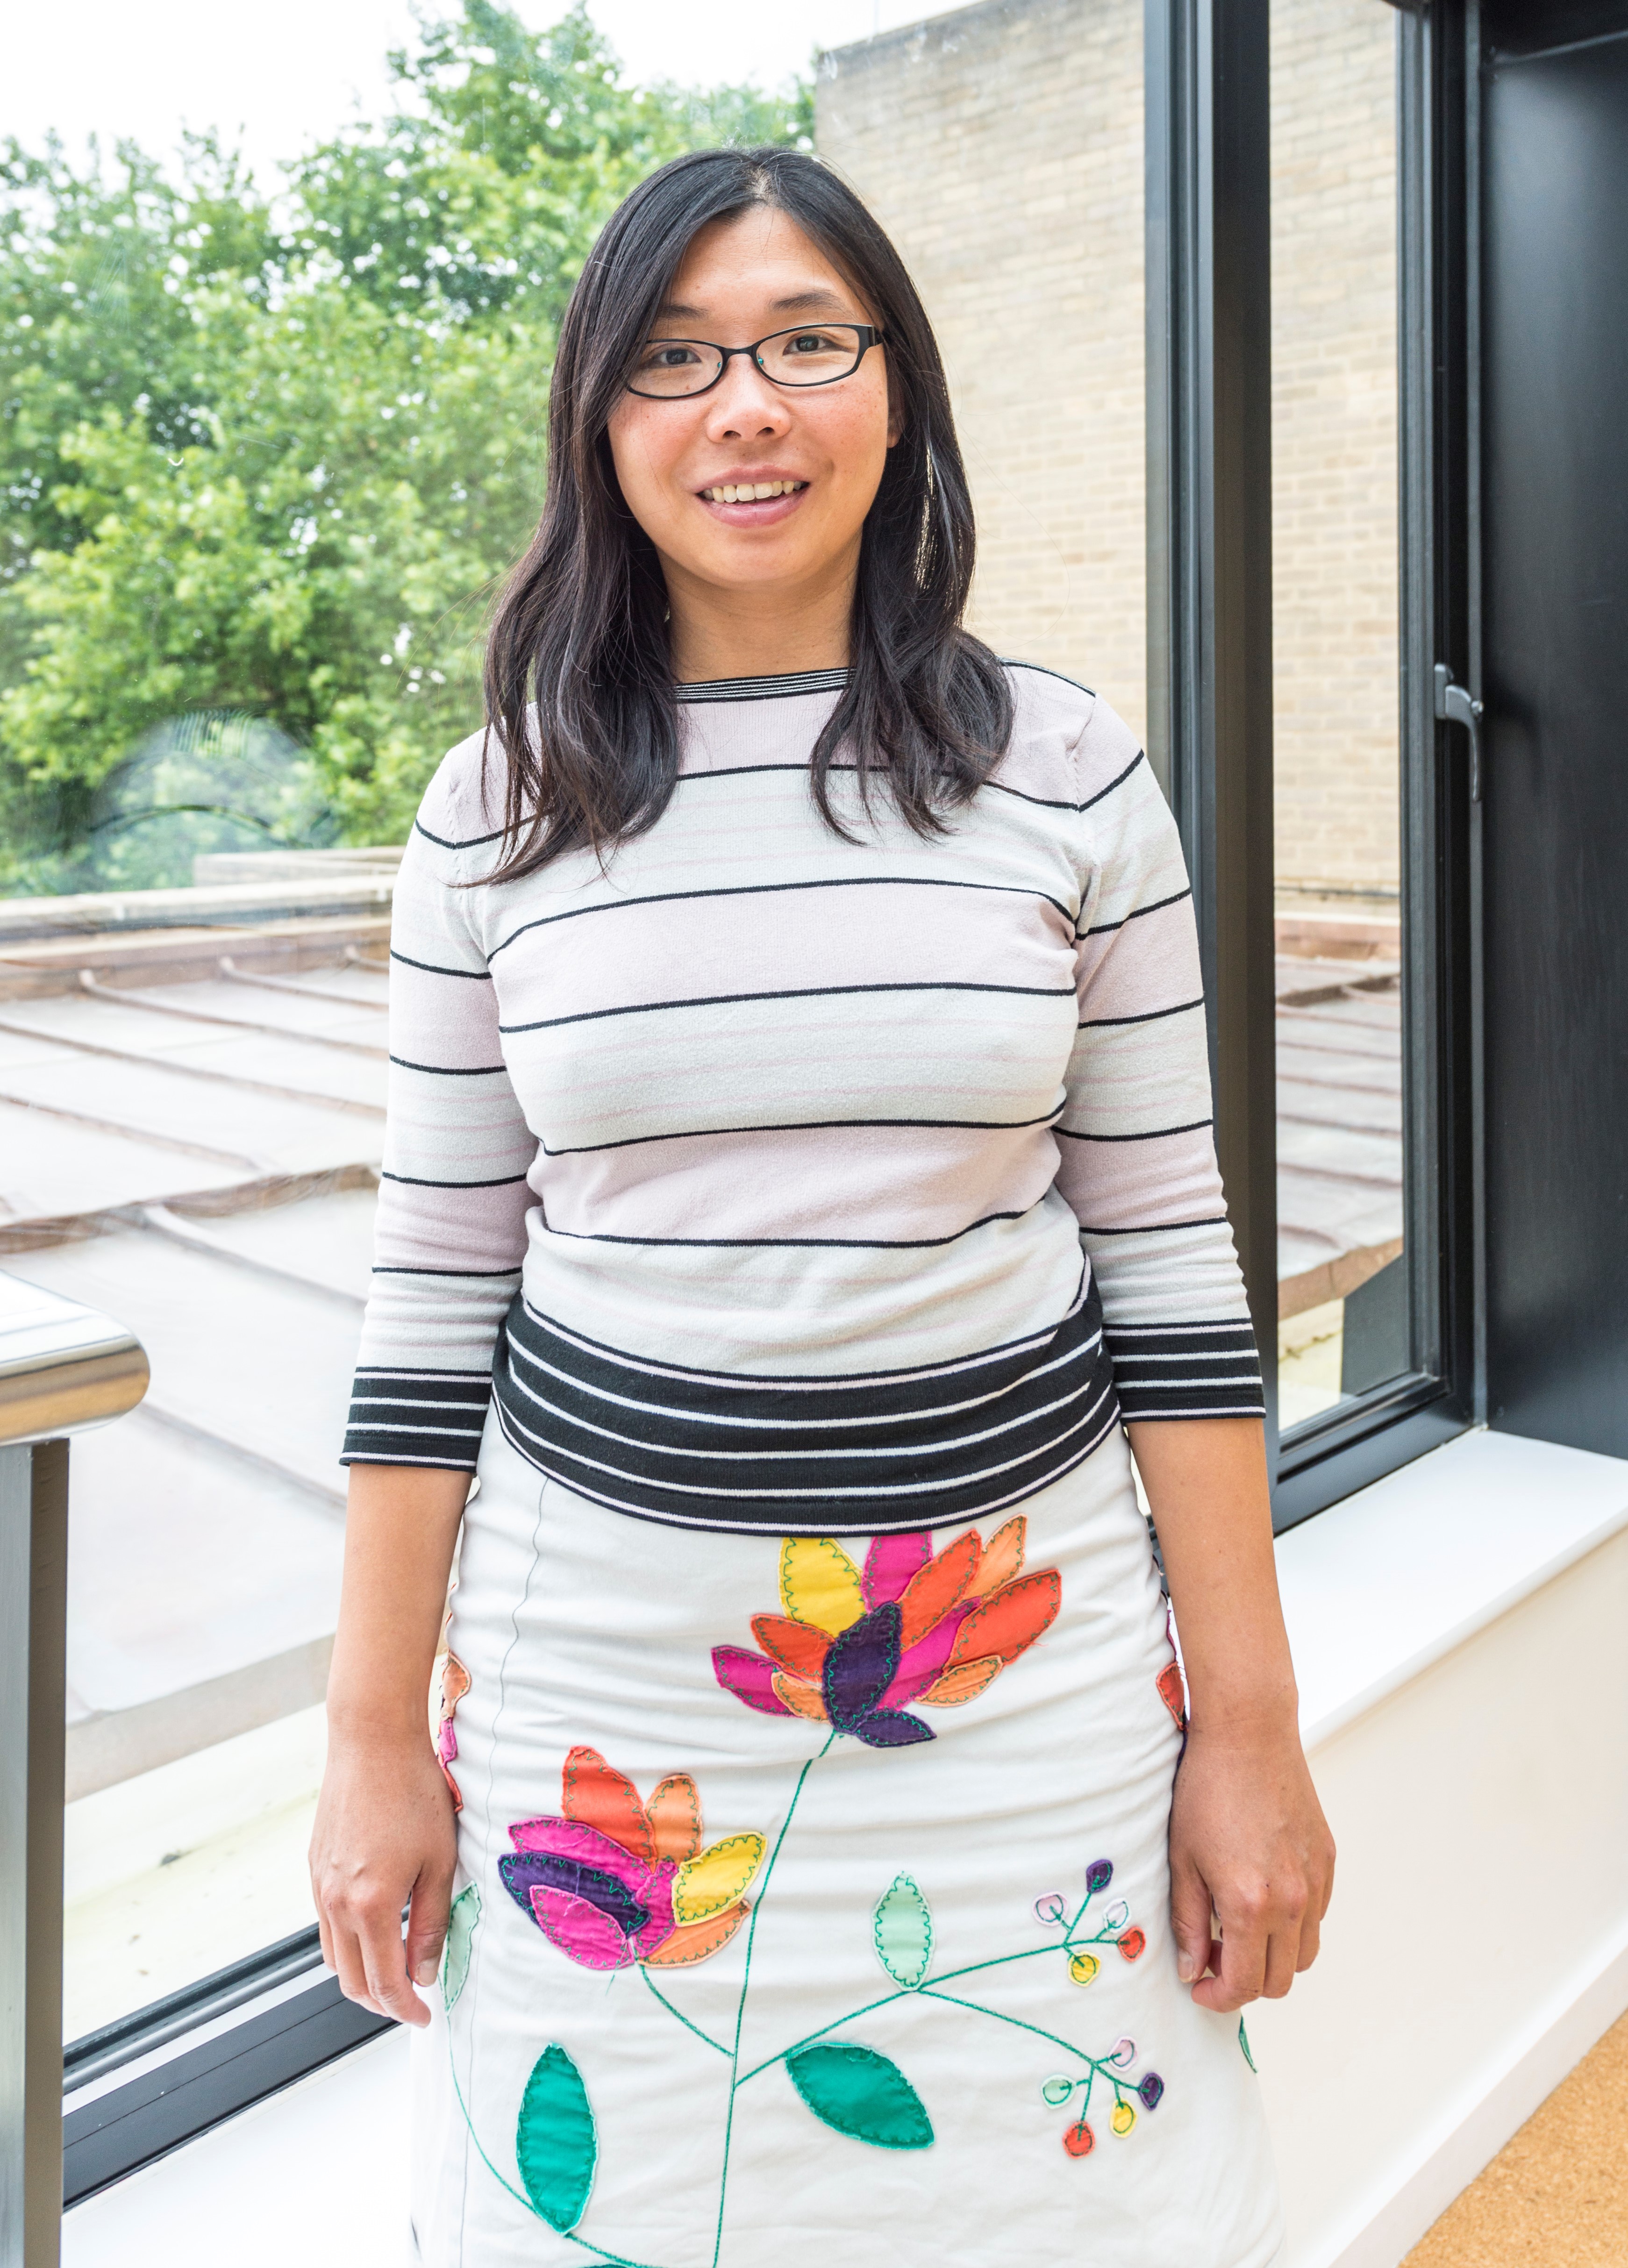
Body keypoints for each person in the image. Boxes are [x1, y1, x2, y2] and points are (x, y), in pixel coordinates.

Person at [309, 145, 1333, 2268]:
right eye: (675, 359)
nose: (745, 409)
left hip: (1022, 1672)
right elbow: (431, 1293)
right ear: (602, 419)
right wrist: (367, 1735)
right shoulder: (495, 808)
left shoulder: (1066, 771)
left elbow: (1170, 1267)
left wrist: (1251, 1726)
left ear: (895, 388)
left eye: (803, 343)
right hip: (606, 1702)